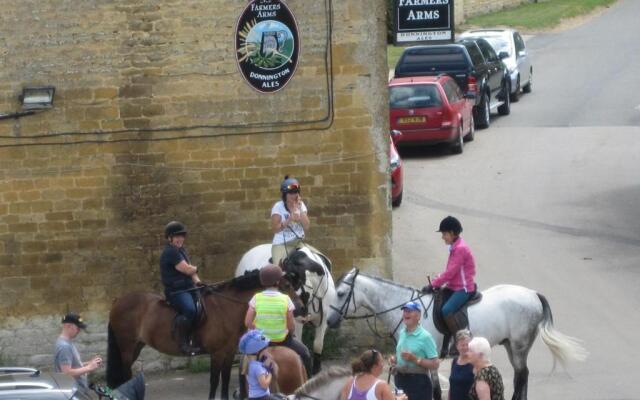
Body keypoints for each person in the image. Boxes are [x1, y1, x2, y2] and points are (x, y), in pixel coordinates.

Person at [244, 264, 312, 376]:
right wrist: (291, 333)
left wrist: (257, 330)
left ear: (262, 282)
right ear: (278, 282)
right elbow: (291, 326)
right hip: (283, 340)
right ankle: (309, 385)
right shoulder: (285, 299)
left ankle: (242, 392)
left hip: (261, 341)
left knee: (244, 363)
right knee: (305, 354)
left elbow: (248, 322)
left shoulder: (256, 298)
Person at [423, 216, 476, 340]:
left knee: (446, 310)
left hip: (463, 288)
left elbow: (450, 273)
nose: (442, 237)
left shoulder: (460, 249)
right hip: (454, 286)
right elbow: (451, 271)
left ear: (452, 233)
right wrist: (438, 279)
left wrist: (433, 285)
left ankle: (460, 341)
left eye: (444, 234)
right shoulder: (455, 246)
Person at [160, 221, 202, 355]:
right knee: (190, 309)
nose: (180, 239)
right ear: (169, 238)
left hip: (188, 288)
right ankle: (182, 343)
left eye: (182, 236)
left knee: (205, 305)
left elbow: (191, 273)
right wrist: (196, 268)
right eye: (177, 236)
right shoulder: (170, 252)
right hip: (176, 291)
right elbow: (188, 269)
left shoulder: (181, 251)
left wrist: (199, 283)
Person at [390, 301, 440, 400]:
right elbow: (400, 355)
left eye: (409, 311)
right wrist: (395, 359)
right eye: (404, 311)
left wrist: (415, 359)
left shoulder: (425, 337)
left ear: (418, 316)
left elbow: (435, 364)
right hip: (400, 379)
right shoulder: (402, 333)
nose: (406, 313)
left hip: (418, 382)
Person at [54, 312, 102, 391]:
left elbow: (71, 366)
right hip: (74, 391)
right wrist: (89, 367)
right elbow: (66, 373)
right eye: (78, 328)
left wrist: (88, 363)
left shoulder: (65, 342)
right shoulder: (64, 346)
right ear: (68, 326)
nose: (79, 331)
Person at [271, 176, 310, 266]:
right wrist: (289, 219)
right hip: (282, 244)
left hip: (298, 242)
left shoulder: (301, 205)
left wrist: (300, 209)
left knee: (321, 259)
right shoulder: (278, 207)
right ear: (285, 195)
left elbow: (307, 226)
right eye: (290, 193)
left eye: (296, 192)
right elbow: (275, 229)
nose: (294, 195)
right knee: (278, 271)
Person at [340, 349, 407, 400]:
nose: (383, 365)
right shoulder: (381, 386)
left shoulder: (350, 382)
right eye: (381, 362)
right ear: (375, 366)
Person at [238, 329, 280, 400]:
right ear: (258, 352)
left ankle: (242, 394)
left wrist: (265, 338)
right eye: (265, 350)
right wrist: (269, 372)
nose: (267, 352)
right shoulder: (257, 367)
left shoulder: (250, 365)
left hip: (254, 396)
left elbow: (260, 338)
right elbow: (265, 385)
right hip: (262, 397)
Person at [448, 329, 475, 400]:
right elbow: (452, 386)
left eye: (467, 344)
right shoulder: (454, 361)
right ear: (457, 346)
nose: (465, 347)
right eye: (462, 345)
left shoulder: (474, 362)